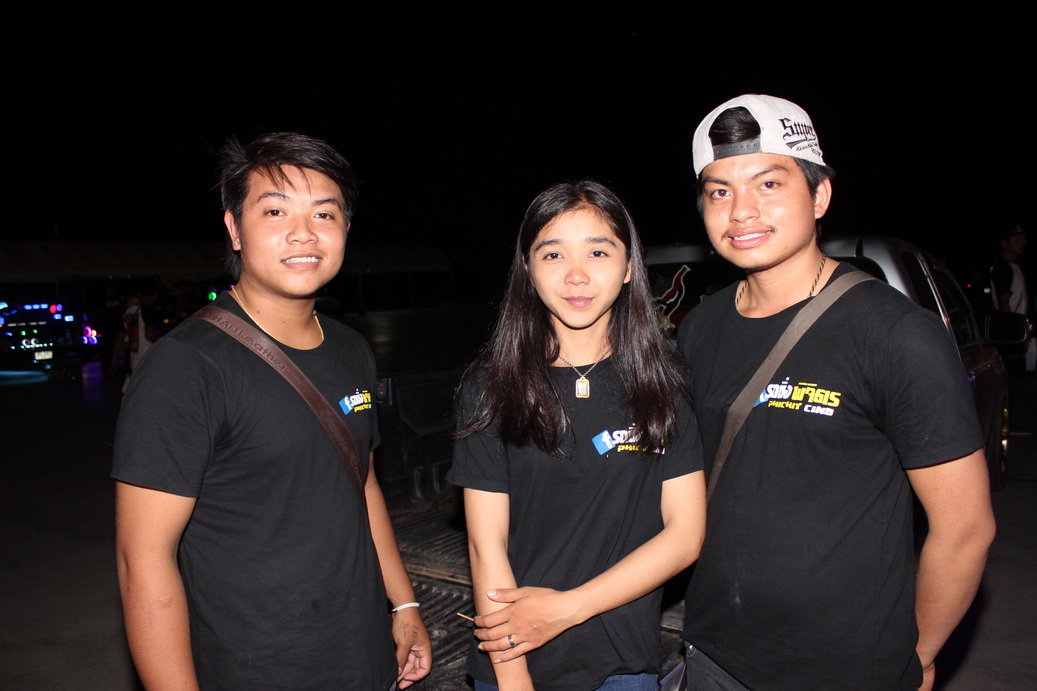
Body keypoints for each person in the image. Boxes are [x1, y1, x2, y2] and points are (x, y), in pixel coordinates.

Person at [678, 95, 996, 690]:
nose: (741, 211)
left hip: (846, 668)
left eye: (769, 183)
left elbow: (965, 528)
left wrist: (916, 655)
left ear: (820, 194)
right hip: (713, 655)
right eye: (720, 191)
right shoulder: (700, 329)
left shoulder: (894, 334)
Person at [113, 133, 431, 690]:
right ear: (234, 228)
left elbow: (362, 484)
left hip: (365, 657)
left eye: (324, 213)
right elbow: (142, 561)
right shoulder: (186, 366)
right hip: (254, 667)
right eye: (276, 211)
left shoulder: (351, 348)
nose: (304, 233)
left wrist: (404, 606)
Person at [448, 180, 707, 691]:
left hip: (622, 664)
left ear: (629, 266)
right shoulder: (490, 386)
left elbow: (685, 535)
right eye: (552, 254)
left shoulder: (664, 383)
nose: (576, 275)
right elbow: (485, 545)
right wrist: (512, 677)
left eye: (598, 251)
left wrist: (568, 609)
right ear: (527, 270)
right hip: (514, 659)